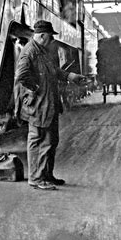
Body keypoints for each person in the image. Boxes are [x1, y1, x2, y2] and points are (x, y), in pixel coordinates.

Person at [14, 20, 85, 190]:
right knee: (40, 141)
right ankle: (36, 179)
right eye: (50, 37)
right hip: (39, 105)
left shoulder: (43, 52)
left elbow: (55, 71)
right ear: (43, 36)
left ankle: (47, 175)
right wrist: (36, 88)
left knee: (51, 140)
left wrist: (70, 76)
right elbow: (21, 76)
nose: (52, 40)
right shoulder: (29, 52)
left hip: (49, 104)